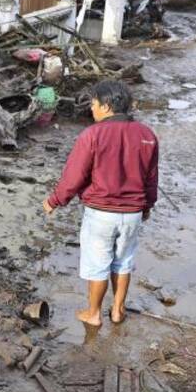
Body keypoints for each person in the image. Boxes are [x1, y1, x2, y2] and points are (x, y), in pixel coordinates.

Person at [42, 80, 159, 327]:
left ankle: (93, 313)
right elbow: (151, 178)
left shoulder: (92, 135)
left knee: (98, 264)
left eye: (94, 104)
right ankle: (117, 310)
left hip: (101, 213)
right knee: (123, 261)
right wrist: (147, 206)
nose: (91, 110)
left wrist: (55, 200)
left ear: (106, 106)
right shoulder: (147, 135)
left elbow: (74, 177)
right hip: (133, 213)